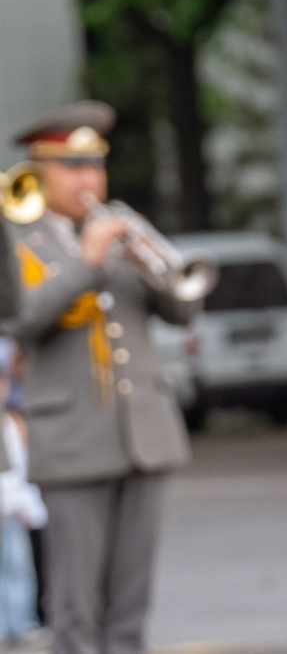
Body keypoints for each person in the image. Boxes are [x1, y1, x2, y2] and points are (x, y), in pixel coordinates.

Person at [3, 102, 190, 654]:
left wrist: (150, 262)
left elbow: (182, 311)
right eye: (71, 165)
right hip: (72, 438)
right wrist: (86, 260)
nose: (88, 179)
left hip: (144, 433)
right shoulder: (17, 237)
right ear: (38, 170)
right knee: (76, 608)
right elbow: (23, 319)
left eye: (94, 165)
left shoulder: (120, 223)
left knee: (130, 605)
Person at [0, 343, 46, 648]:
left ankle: (21, 621)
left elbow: (21, 470)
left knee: (19, 567)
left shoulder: (13, 423)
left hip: (11, 510)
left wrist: (28, 506)